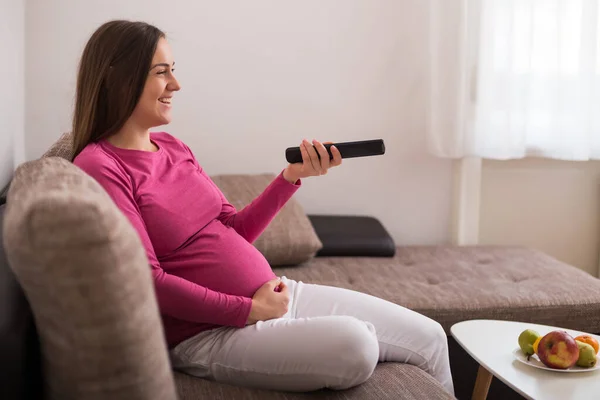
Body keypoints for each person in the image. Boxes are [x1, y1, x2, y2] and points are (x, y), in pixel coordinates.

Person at [72, 20, 454, 395]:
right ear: (118, 77)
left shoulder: (173, 146)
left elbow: (233, 230)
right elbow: (147, 281)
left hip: (275, 294)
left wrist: (290, 177)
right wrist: (247, 310)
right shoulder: (100, 166)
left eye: (174, 70)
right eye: (161, 72)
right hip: (208, 333)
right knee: (357, 345)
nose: (176, 84)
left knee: (431, 336)